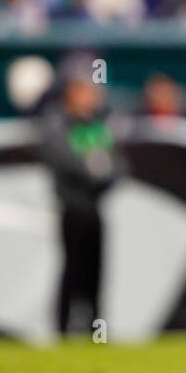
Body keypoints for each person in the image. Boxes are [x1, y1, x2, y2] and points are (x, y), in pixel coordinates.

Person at [37, 56, 125, 336]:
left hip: (95, 208)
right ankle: (63, 329)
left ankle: (94, 328)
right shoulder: (59, 124)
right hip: (73, 209)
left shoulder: (96, 126)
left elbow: (119, 166)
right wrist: (94, 170)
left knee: (96, 272)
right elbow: (64, 161)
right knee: (72, 270)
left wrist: (99, 171)